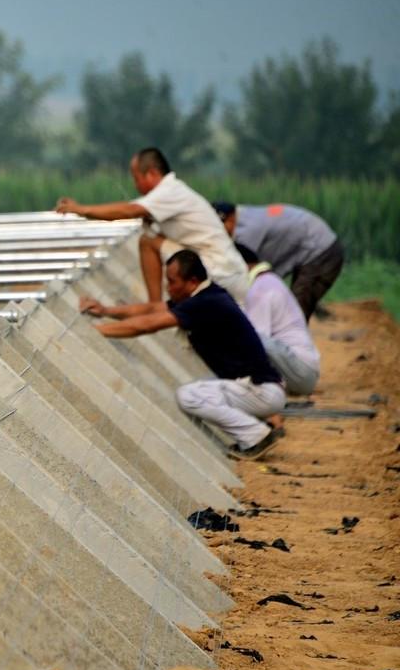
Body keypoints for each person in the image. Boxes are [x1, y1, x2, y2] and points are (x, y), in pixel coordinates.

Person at [78, 249, 284, 459]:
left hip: (259, 390)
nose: (168, 288)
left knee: (189, 395)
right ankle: (256, 428)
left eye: (172, 281)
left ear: (192, 281)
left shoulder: (206, 303)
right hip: (257, 388)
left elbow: (148, 324)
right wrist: (106, 311)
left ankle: (255, 436)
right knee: (198, 389)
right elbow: (151, 309)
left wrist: (93, 332)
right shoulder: (206, 295)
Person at [55, 147, 248, 304]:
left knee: (147, 242)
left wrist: (80, 209)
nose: (136, 185)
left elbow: (128, 211)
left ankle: (154, 305)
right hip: (226, 268)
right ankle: (157, 306)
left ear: (152, 174)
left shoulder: (169, 192)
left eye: (136, 178)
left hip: (220, 269)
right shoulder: (171, 192)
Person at [212, 201, 343, 320]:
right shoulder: (246, 215)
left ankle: (293, 345)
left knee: (294, 314)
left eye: (220, 226)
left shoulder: (248, 231)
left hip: (321, 250)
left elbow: (244, 271)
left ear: (230, 218)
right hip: (313, 244)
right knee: (292, 308)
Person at [235, 243, 320, 396]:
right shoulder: (269, 280)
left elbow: (256, 343)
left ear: (241, 265)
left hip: (301, 373)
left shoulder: (259, 290)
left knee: (251, 338)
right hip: (304, 372)